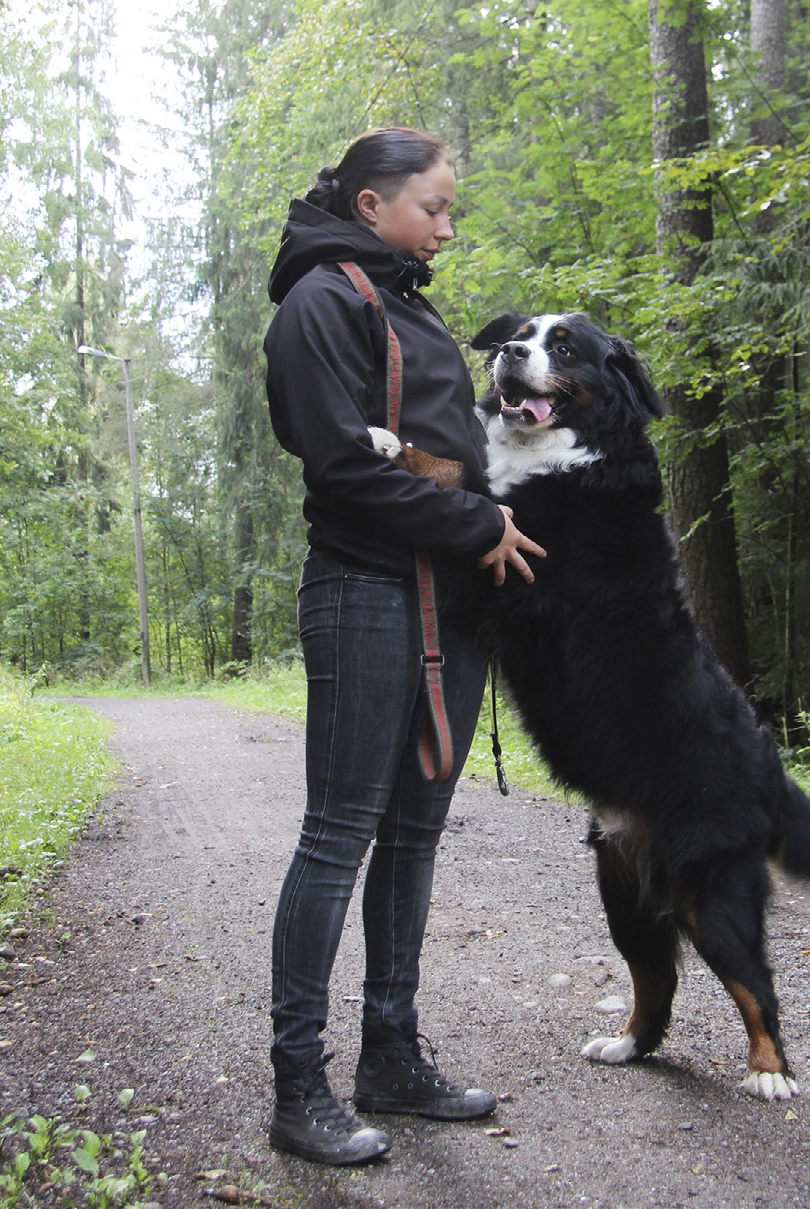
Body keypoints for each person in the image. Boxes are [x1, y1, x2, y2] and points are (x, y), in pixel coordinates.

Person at [262, 126, 544, 1166]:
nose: (446, 225)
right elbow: (339, 466)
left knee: (415, 831)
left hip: (451, 604)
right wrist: (475, 521)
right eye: (432, 206)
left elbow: (443, 444)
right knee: (339, 831)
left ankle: (391, 1054)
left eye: (449, 207)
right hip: (364, 594)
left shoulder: (405, 295)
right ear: (371, 203)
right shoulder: (321, 302)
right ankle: (301, 1085)